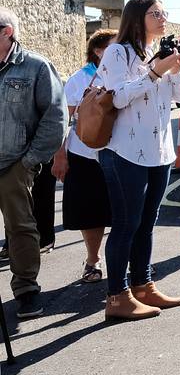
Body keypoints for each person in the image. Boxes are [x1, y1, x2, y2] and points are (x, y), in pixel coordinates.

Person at [96, 0, 180, 322]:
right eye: (155, 13)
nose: (163, 18)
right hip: (124, 152)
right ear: (137, 17)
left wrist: (174, 70)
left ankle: (143, 285)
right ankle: (117, 296)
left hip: (159, 151)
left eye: (164, 12)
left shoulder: (157, 52)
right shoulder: (117, 53)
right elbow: (118, 96)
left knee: (147, 224)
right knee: (126, 224)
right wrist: (153, 72)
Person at [0, 7, 65, 320]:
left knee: (21, 228)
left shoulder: (35, 67)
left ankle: (25, 290)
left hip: (14, 163)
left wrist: (29, 162)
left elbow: (55, 118)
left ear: (6, 32)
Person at [53, 29, 117, 285]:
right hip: (84, 155)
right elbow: (63, 122)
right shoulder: (79, 80)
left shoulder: (127, 73)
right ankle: (93, 260)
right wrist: (60, 155)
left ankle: (133, 260)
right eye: (115, 46)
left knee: (127, 211)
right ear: (99, 51)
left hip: (120, 153)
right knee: (91, 212)